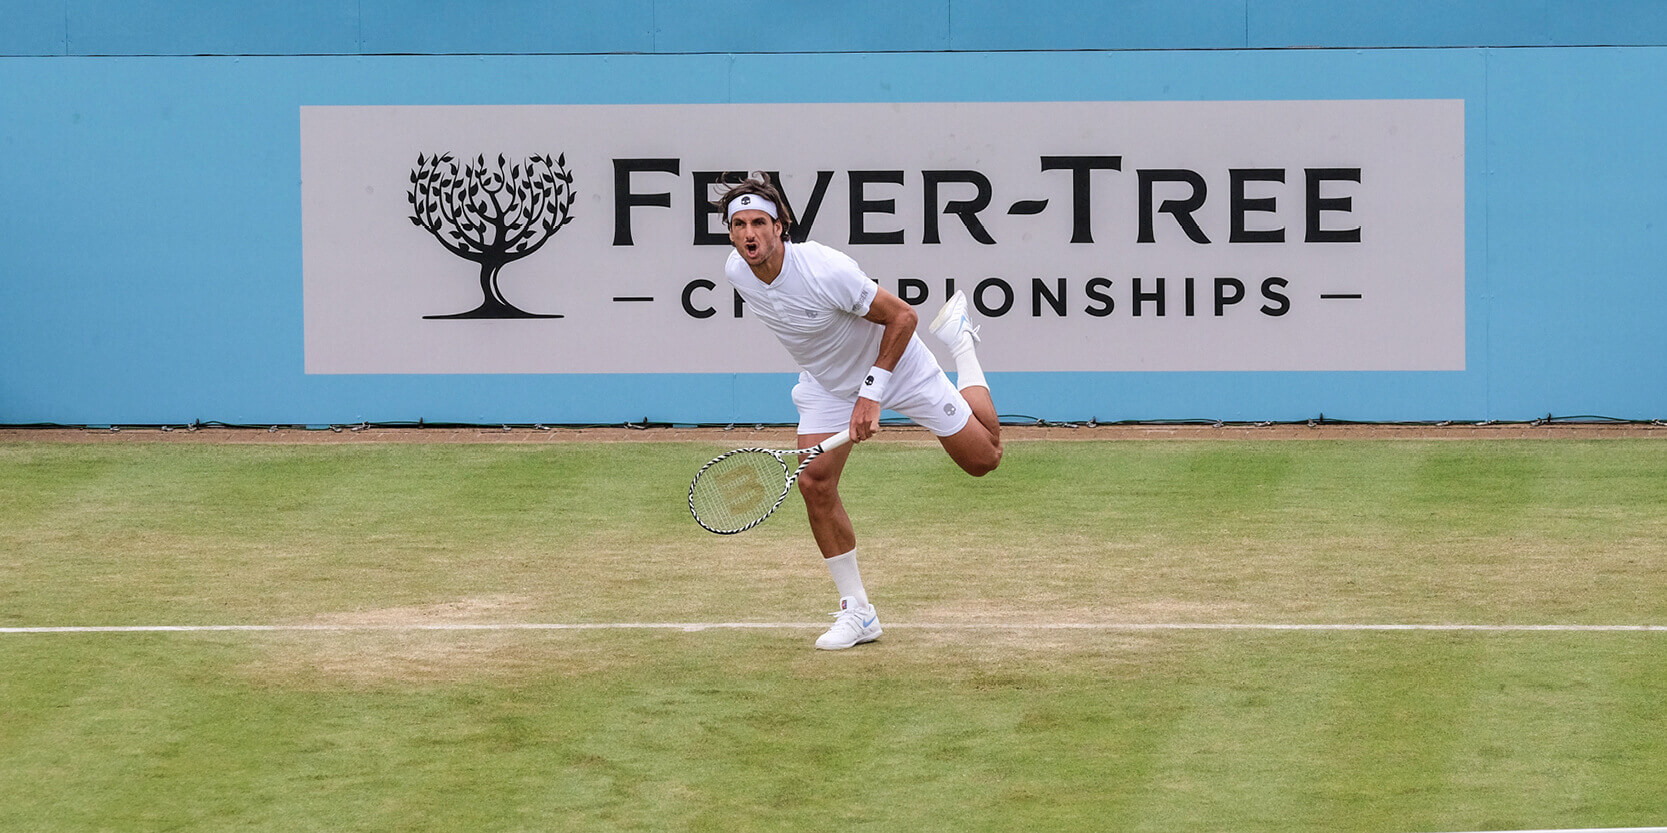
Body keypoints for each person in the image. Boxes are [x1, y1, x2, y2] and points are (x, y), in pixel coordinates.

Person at [718, 173, 1003, 650]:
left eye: (760, 222)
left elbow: (904, 317)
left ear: (781, 225)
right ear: (730, 232)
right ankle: (860, 612)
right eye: (741, 224)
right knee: (814, 482)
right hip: (827, 385)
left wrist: (873, 391)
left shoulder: (826, 270)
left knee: (984, 458)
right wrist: (849, 392)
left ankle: (960, 343)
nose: (750, 234)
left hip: (898, 363)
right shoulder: (735, 271)